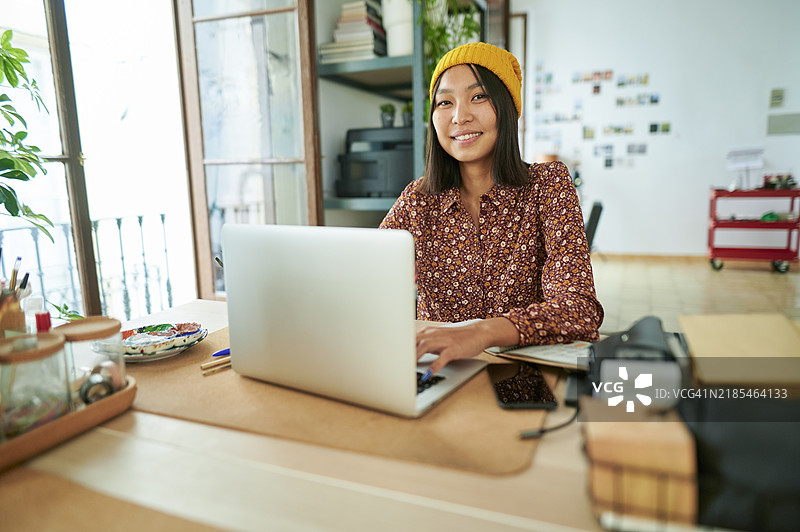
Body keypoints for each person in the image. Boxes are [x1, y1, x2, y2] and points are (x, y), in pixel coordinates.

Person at [379, 42, 604, 378]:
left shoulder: (548, 185)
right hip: (439, 373)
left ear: (508, 108)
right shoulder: (417, 200)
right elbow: (362, 284)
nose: (460, 116)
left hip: (523, 378)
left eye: (479, 96)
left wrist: (481, 332)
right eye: (444, 102)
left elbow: (580, 311)